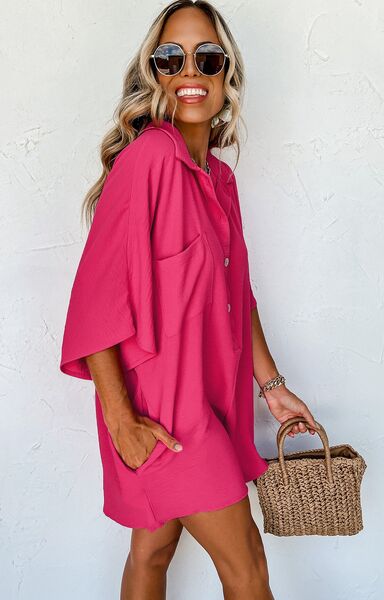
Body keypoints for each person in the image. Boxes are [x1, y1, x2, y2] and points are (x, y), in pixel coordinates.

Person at [59, 2, 318, 598]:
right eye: (171, 58)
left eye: (208, 57)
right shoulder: (148, 159)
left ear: (229, 73)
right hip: (168, 413)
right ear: (153, 72)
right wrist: (122, 421)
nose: (190, 71)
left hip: (213, 398)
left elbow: (237, 295)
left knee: (151, 552)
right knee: (248, 567)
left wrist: (272, 388)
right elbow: (94, 301)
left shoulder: (220, 179)